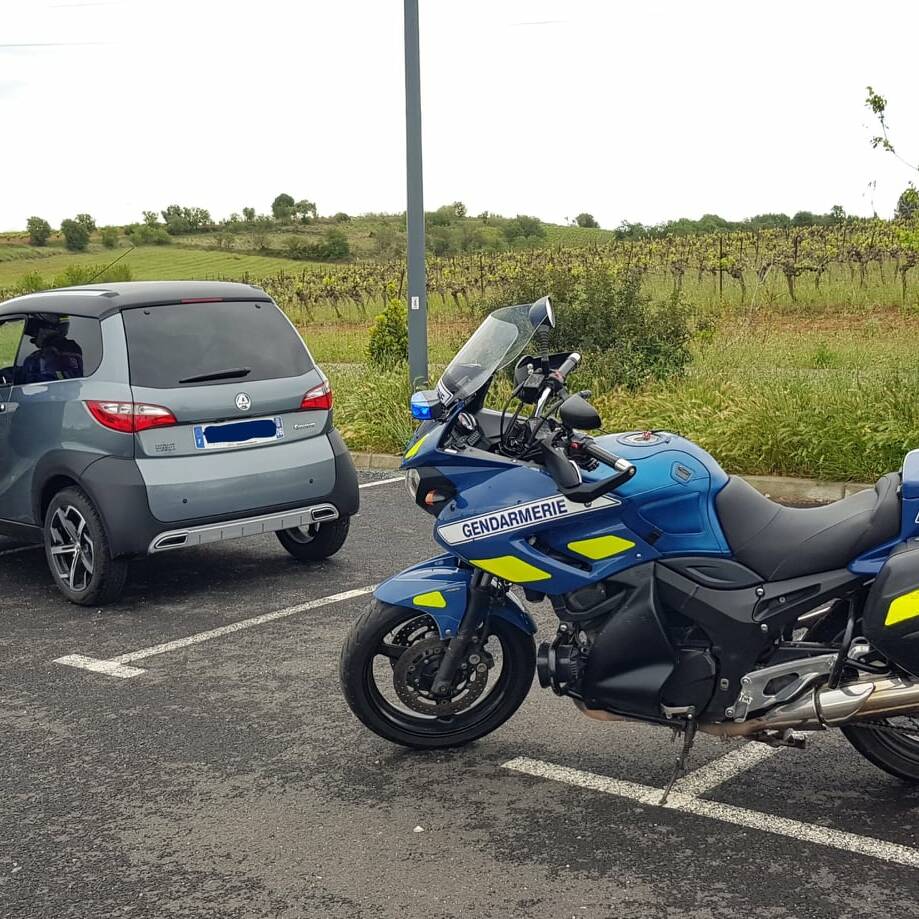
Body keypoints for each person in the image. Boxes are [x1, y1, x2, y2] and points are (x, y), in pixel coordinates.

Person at [18, 314, 83, 384]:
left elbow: (63, 382)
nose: (33, 335)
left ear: (47, 329)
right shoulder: (36, 357)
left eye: (35, 330)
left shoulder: (65, 349)